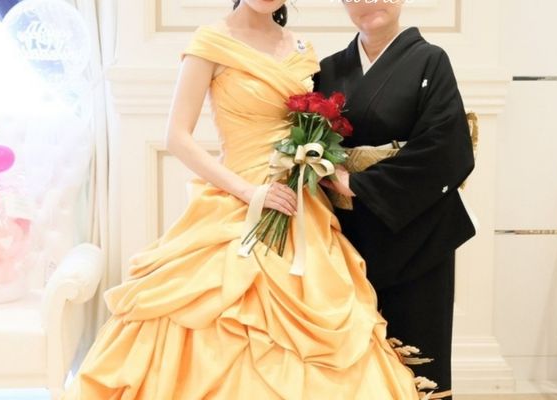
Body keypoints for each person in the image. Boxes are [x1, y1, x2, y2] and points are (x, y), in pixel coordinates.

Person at [61, 1, 427, 398]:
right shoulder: (211, 42)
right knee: (217, 309)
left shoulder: (302, 49)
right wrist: (250, 192)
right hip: (238, 200)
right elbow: (177, 138)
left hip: (298, 205)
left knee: (327, 317)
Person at [316, 2, 476, 399]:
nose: (368, 3)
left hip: (419, 231)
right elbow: (314, 142)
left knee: (416, 359)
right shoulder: (329, 69)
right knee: (353, 358)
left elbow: (447, 146)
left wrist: (358, 183)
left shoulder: (430, 60)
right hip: (348, 234)